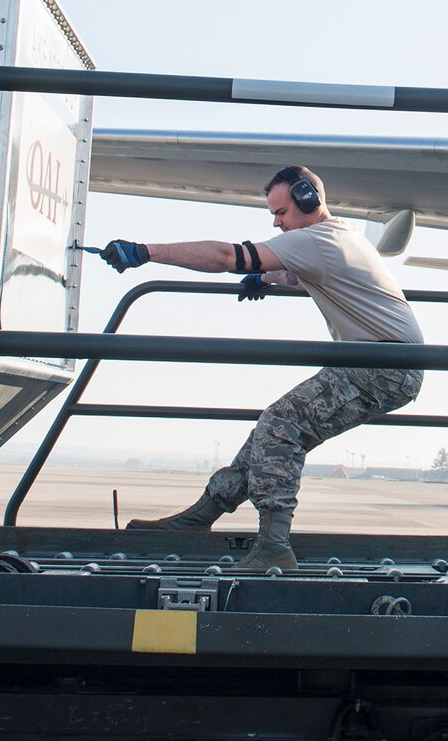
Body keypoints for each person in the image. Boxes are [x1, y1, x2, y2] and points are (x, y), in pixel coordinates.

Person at [96, 165, 423, 571]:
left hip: (385, 366)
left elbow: (227, 256)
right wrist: (267, 279)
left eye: (281, 211)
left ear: (308, 200)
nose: (276, 221)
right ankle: (204, 514)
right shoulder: (338, 237)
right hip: (382, 362)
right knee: (269, 432)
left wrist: (146, 252)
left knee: (281, 424)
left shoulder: (315, 240)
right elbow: (311, 277)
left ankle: (274, 546)